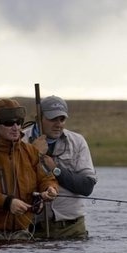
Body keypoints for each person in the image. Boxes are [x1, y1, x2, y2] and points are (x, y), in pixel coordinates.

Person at [0, 98, 58, 241]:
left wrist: (50, 189)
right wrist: (8, 202)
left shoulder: (31, 152)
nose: (15, 127)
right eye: (8, 123)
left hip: (22, 232)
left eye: (18, 122)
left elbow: (46, 178)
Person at [22, 95, 97, 239]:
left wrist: (55, 169)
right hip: (30, 230)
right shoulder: (21, 140)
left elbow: (87, 187)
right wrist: (33, 153)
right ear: (39, 117)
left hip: (72, 229)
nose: (58, 124)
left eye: (62, 119)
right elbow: (14, 181)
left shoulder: (78, 142)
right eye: (52, 119)